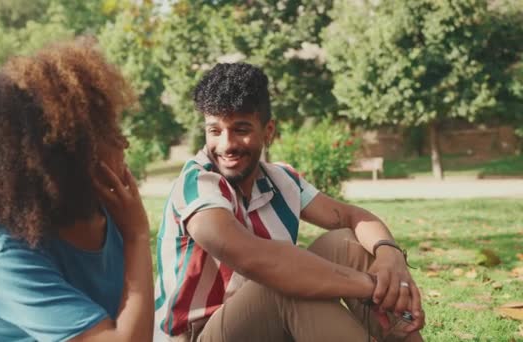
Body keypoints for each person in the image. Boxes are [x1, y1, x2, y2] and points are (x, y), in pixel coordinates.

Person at [154, 63, 425, 341]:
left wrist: (391, 258)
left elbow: (352, 217)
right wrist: (371, 286)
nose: (226, 145)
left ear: (268, 131)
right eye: (215, 131)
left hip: (264, 326)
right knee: (283, 284)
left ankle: (403, 335)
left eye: (241, 129)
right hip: (198, 336)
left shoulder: (280, 179)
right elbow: (260, 262)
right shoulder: (197, 185)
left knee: (346, 243)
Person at [0, 38, 154, 342]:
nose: (123, 142)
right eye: (108, 131)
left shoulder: (108, 212)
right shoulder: (6, 254)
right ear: (65, 156)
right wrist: (137, 236)